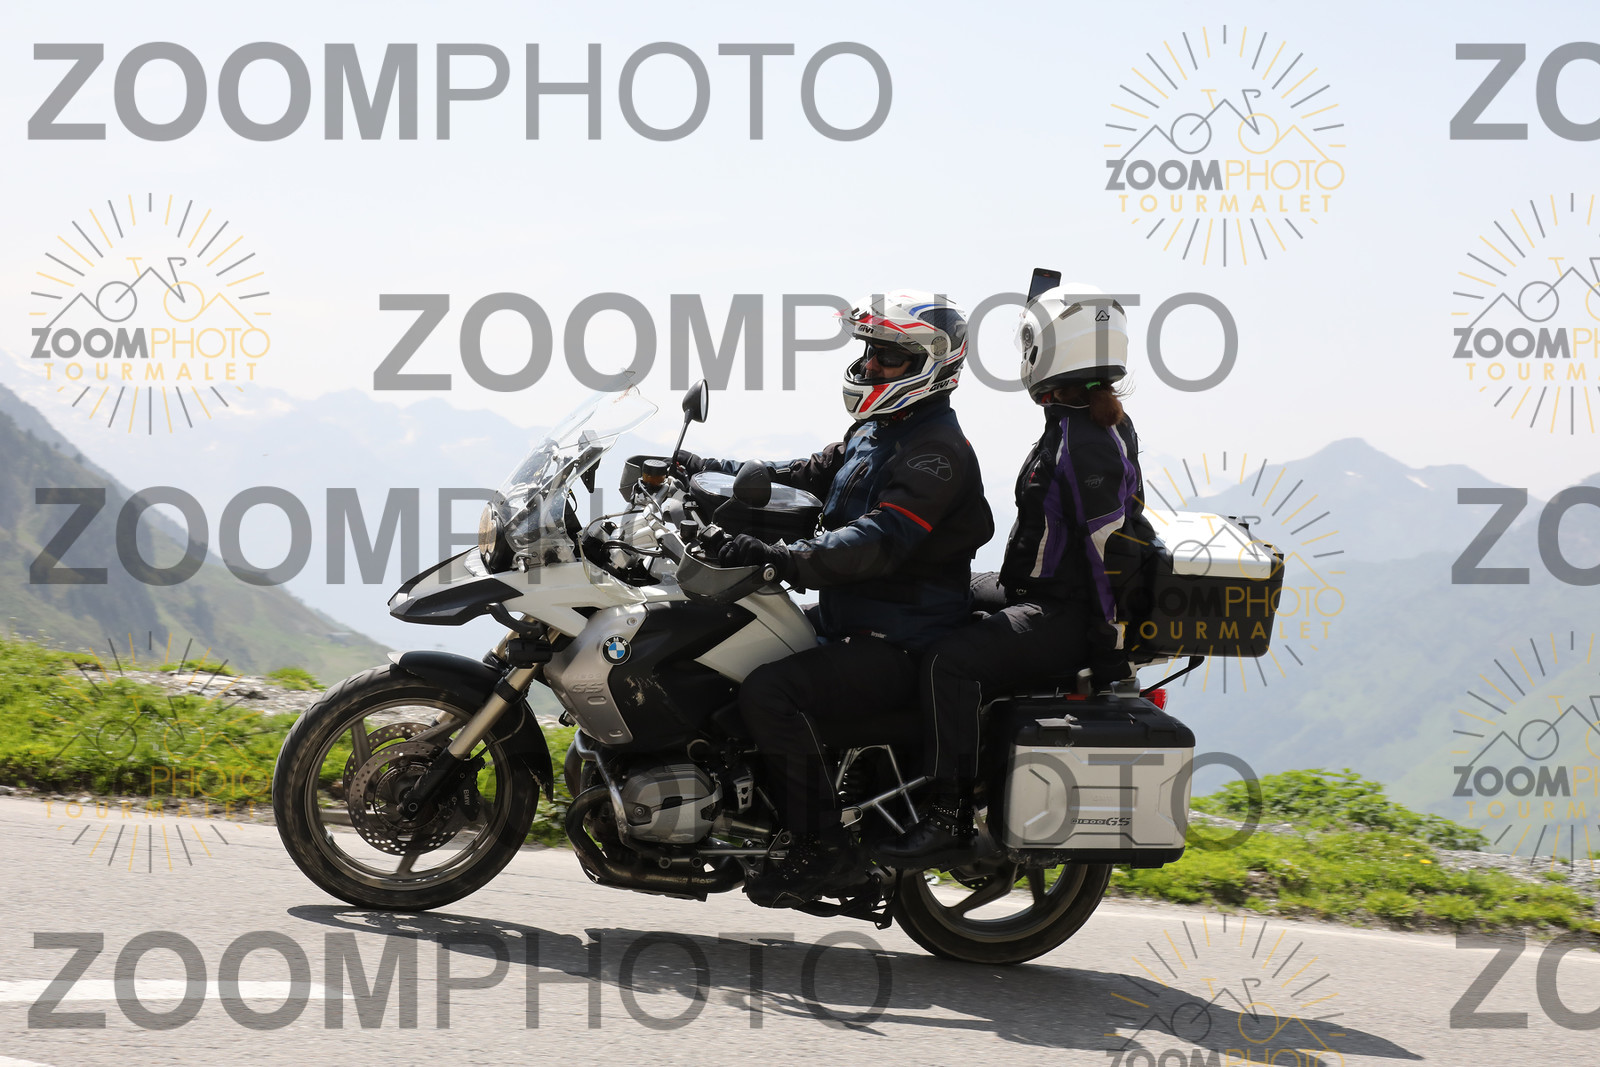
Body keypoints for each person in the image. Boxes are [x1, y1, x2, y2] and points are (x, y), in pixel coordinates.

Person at [675, 289, 994, 904]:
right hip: (857, 616)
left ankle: (823, 847)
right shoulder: (878, 428)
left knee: (771, 692)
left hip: (902, 636)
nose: (871, 365)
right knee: (732, 642)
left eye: (888, 357)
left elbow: (877, 539)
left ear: (931, 365)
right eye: (870, 352)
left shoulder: (936, 451)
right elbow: (800, 475)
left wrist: (779, 557)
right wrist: (698, 468)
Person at [875, 283, 1156, 867]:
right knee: (939, 596)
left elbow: (1112, 552)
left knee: (950, 662)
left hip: (1064, 610)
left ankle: (949, 815)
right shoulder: (1080, 420)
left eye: (1031, 341)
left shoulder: (1085, 440)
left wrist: (1113, 654)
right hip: (1035, 589)